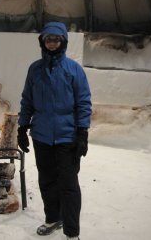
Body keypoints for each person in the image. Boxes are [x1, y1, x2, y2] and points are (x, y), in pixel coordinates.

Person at [17, 21, 92, 240]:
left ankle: (71, 232)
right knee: (47, 180)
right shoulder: (35, 69)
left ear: (63, 42)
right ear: (43, 41)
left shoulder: (73, 70)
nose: (52, 43)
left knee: (68, 185)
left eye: (56, 39)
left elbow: (84, 103)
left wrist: (82, 133)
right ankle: (53, 218)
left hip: (67, 137)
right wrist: (22, 127)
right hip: (41, 136)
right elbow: (27, 100)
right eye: (48, 39)